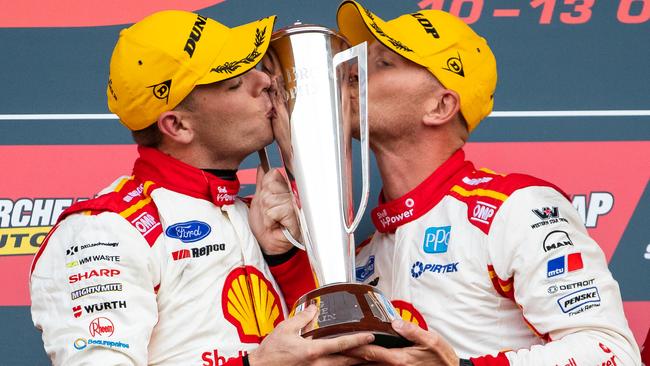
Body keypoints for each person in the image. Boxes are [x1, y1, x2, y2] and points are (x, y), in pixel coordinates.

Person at [29, 10, 372, 366]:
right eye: (235, 82)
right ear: (177, 126)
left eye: (254, 68)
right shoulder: (105, 230)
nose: (265, 81)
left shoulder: (255, 217)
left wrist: (285, 260)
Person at [328, 1, 640, 364]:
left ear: (440, 107)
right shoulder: (363, 254)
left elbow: (611, 353)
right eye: (361, 60)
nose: (353, 72)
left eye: (383, 63)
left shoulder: (516, 208)